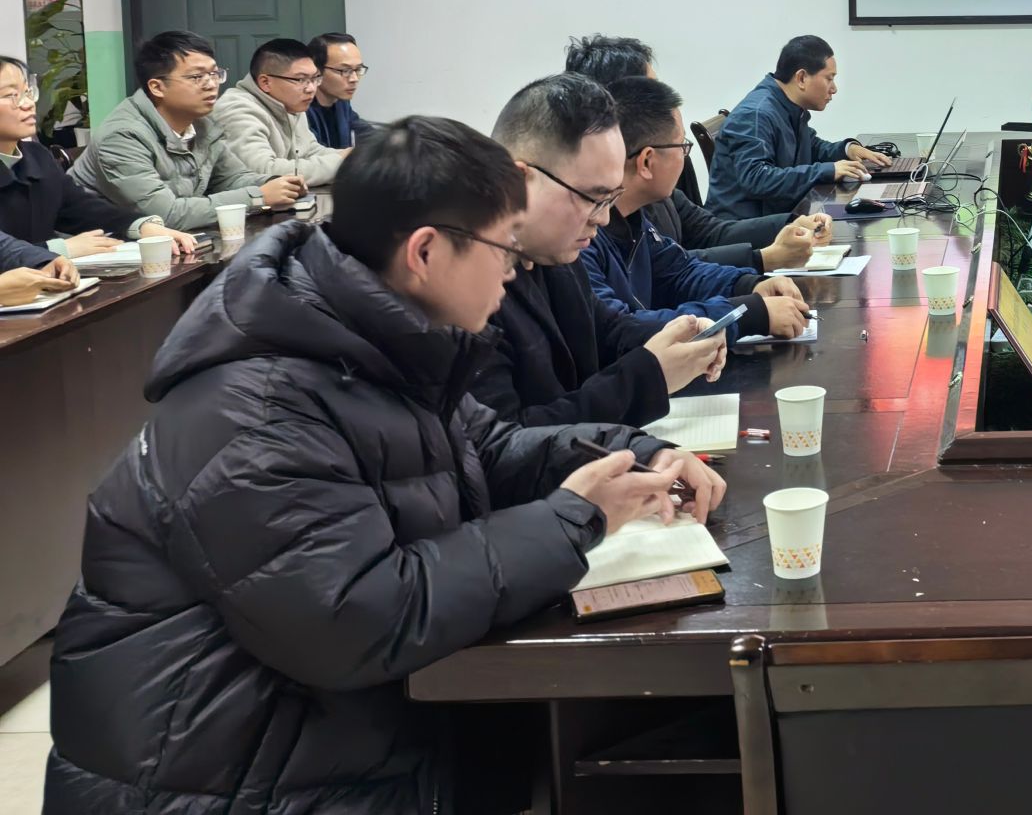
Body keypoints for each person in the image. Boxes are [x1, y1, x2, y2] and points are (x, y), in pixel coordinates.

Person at [43, 115, 725, 813]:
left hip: (320, 740)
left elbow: (486, 449)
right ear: (425, 252)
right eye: (504, 248)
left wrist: (629, 451)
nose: (516, 269)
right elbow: (357, 619)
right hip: (231, 775)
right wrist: (573, 520)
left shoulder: (373, 341)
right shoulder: (258, 413)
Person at [475, 73, 730, 429]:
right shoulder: (465, 285)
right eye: (592, 198)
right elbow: (508, 440)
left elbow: (606, 330)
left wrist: (683, 337)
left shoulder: (554, 251)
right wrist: (650, 378)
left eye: (611, 198)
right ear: (521, 181)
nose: (604, 218)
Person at [563, 33, 822, 269]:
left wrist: (792, 223)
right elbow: (670, 273)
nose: (664, 99)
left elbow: (707, 234)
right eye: (653, 90)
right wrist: (763, 259)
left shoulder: (654, 186)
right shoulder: (590, 221)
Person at [587, 76, 813, 340]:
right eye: (682, 146)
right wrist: (747, 314)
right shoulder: (583, 234)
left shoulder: (635, 215)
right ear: (647, 161)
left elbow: (679, 273)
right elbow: (621, 330)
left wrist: (749, 285)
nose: (685, 156)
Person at [69, 30, 303, 231]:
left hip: (170, 241)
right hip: (102, 246)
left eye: (214, 74)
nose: (211, 84)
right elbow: (165, 215)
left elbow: (231, 178)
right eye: (196, 77)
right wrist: (258, 196)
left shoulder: (203, 123)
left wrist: (278, 183)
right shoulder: (123, 136)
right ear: (157, 87)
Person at [0, 54, 196, 263]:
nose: (28, 104)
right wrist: (60, 248)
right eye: (12, 95)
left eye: (27, 92)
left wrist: (142, 227)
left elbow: (81, 209)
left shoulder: (37, 156)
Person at [707, 35, 889, 219]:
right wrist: (827, 170)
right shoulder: (756, 114)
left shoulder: (786, 105)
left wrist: (847, 149)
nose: (834, 89)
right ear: (801, 78)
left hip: (777, 215)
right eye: (829, 78)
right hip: (745, 227)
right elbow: (757, 178)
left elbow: (812, 147)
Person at [212, 37, 349, 188]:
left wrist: (352, 157)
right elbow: (263, 172)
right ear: (265, 82)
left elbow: (309, 150)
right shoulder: (236, 109)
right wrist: (341, 163)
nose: (311, 88)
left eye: (315, 78)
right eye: (300, 79)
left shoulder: (290, 103)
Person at [308, 31, 374, 150]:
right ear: (317, 70)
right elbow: (315, 155)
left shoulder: (341, 102)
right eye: (345, 70)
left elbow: (365, 132)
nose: (354, 79)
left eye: (358, 69)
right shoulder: (301, 109)